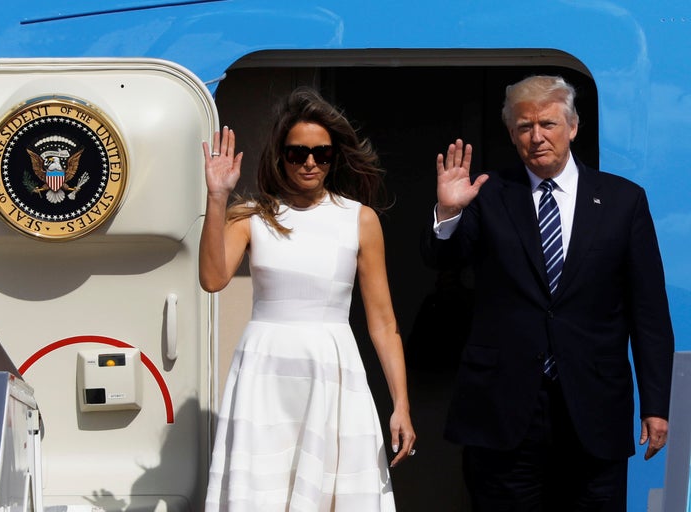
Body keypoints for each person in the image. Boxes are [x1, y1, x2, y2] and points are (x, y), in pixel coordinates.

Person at [421, 75, 674, 511]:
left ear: (572, 126)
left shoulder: (622, 201)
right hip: (504, 410)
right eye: (524, 127)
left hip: (594, 409)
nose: (536, 137)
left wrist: (656, 405)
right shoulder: (489, 195)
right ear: (512, 134)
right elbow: (443, 260)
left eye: (547, 124)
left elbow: (648, 312)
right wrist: (448, 212)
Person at [200, 86, 416, 511]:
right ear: (281, 155)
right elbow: (211, 278)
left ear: (335, 157)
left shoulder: (360, 219)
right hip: (264, 373)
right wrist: (217, 197)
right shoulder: (253, 215)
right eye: (298, 153)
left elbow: (383, 324)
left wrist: (401, 404)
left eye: (322, 153)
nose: (310, 162)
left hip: (332, 370)